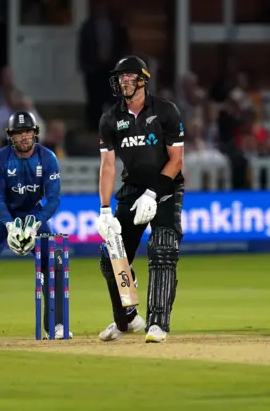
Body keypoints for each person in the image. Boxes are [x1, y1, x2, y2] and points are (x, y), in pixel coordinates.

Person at [0, 111, 68, 340]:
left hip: (32, 215)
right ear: (10, 136)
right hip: (0, 216)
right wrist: (9, 225)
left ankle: (56, 326)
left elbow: (54, 199)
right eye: (18, 133)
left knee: (53, 258)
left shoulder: (47, 158)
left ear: (35, 133)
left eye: (28, 132)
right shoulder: (0, 159)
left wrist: (36, 222)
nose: (24, 137)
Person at [96, 55, 185, 343]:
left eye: (129, 76)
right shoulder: (111, 118)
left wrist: (153, 193)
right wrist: (105, 209)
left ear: (143, 80)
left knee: (162, 248)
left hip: (166, 188)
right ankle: (127, 320)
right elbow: (108, 166)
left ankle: (158, 324)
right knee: (112, 255)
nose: (123, 81)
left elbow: (176, 161)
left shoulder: (166, 111)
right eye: (120, 77)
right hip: (132, 190)